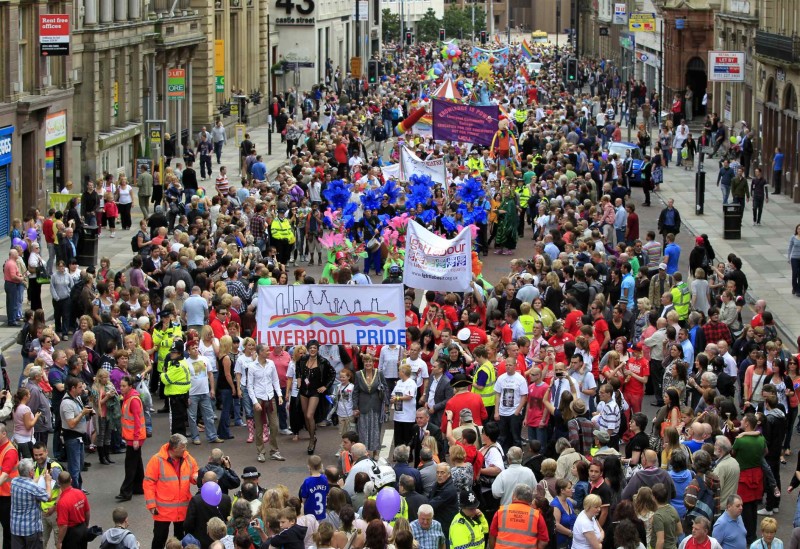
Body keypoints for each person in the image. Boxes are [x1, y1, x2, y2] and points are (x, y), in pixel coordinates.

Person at [143, 434, 199, 549]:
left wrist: (196, 477)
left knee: (180, 539)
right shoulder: (157, 460)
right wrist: (151, 505)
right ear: (174, 448)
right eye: (183, 447)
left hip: (182, 508)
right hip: (163, 511)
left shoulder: (188, 458)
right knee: (159, 539)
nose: (185, 449)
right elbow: (149, 483)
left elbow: (194, 474)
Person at [488, 483, 549, 549]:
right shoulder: (537, 515)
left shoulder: (501, 511)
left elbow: (492, 535)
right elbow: (544, 541)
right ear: (530, 499)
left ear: (514, 496)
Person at [10, 457, 52, 549]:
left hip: (15, 528)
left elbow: (28, 483)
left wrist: (41, 476)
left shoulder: (14, 482)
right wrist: (48, 481)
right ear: (31, 472)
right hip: (31, 530)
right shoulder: (33, 487)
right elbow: (48, 497)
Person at [116, 375, 146, 502]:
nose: (121, 388)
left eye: (123, 386)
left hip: (134, 437)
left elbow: (137, 421)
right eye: (120, 385)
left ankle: (126, 491)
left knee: (130, 465)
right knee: (137, 463)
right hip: (133, 437)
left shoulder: (132, 400)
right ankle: (139, 487)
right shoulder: (129, 398)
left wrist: (135, 439)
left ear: (130, 387)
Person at [59, 378, 91, 490]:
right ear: (72, 388)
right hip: (72, 438)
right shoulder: (67, 403)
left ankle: (79, 486)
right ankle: (74, 490)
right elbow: (71, 423)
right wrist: (82, 413)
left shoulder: (77, 398)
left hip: (79, 437)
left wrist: (87, 412)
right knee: (74, 467)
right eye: (79, 387)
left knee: (80, 464)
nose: (82, 389)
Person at [55, 471, 89, 549]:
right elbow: (87, 511)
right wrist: (86, 525)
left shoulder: (62, 502)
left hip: (71, 534)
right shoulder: (80, 493)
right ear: (71, 480)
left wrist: (59, 541)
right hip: (82, 528)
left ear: (58, 482)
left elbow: (64, 526)